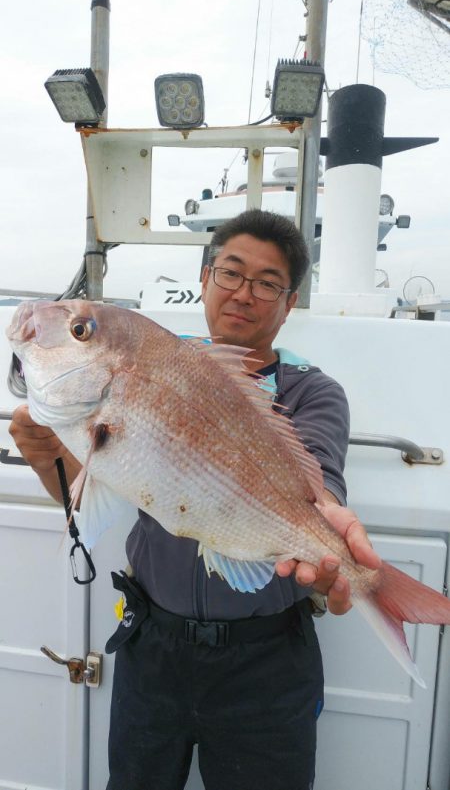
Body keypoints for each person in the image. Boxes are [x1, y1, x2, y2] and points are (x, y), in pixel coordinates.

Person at [10, 209, 381, 790]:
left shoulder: (314, 393)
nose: (244, 294)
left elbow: (319, 488)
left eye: (268, 283)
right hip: (151, 651)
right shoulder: (152, 362)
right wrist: (46, 458)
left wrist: (327, 536)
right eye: (230, 273)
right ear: (204, 278)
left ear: (289, 303)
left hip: (266, 662)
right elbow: (93, 494)